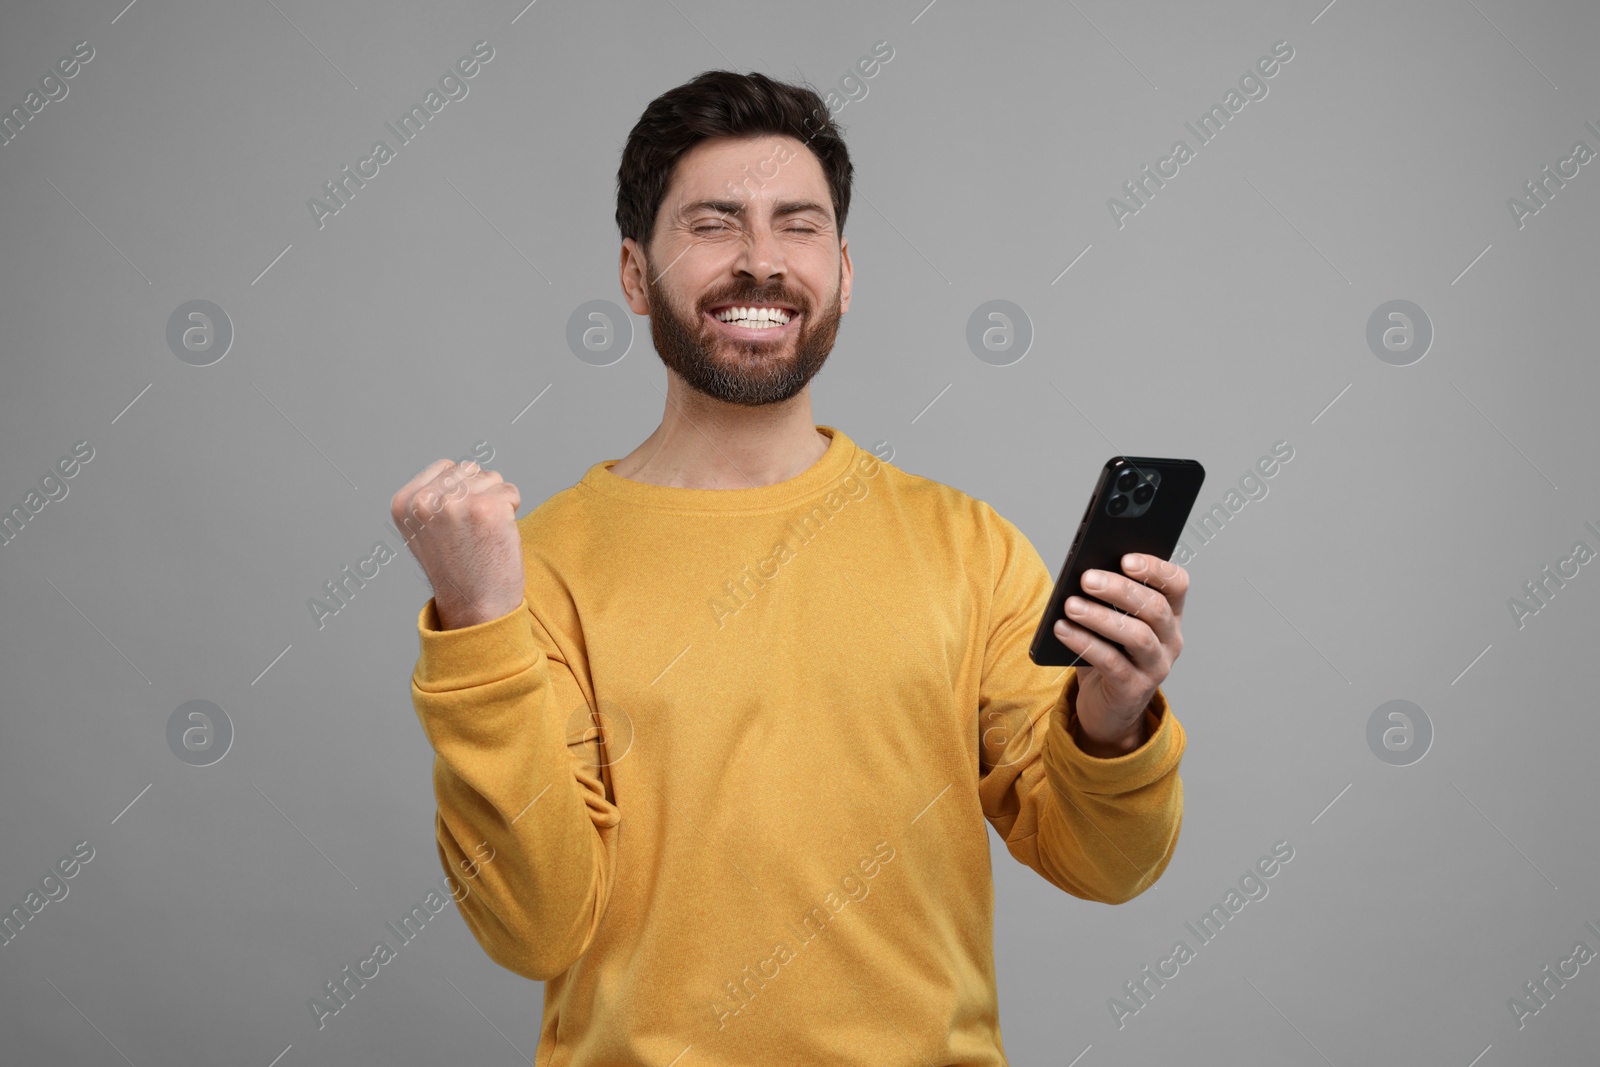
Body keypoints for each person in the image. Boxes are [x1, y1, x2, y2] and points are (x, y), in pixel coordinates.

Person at [393, 69, 1189, 1066]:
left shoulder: (966, 545)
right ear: (636, 274)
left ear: (845, 272)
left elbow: (1106, 864)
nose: (760, 261)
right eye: (714, 223)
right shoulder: (532, 569)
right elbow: (533, 926)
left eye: (797, 225)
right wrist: (477, 624)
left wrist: (1110, 721)